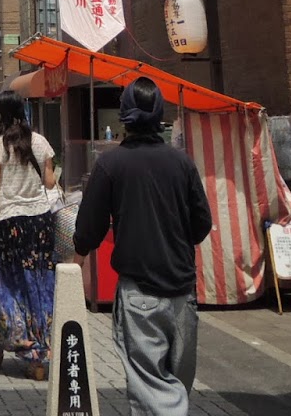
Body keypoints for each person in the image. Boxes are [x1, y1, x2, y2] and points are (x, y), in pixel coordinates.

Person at [73, 78, 212, 416]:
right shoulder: (182, 163)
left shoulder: (111, 164)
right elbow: (202, 223)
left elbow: (87, 232)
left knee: (152, 388)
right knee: (175, 383)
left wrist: (73, 260)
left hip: (139, 294)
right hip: (182, 291)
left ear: (124, 116)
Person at [0, 92, 58, 382]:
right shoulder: (41, 142)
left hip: (8, 225)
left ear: (1, 114)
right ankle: (38, 359)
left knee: (2, 287)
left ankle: (2, 349)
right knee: (38, 286)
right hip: (40, 224)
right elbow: (50, 182)